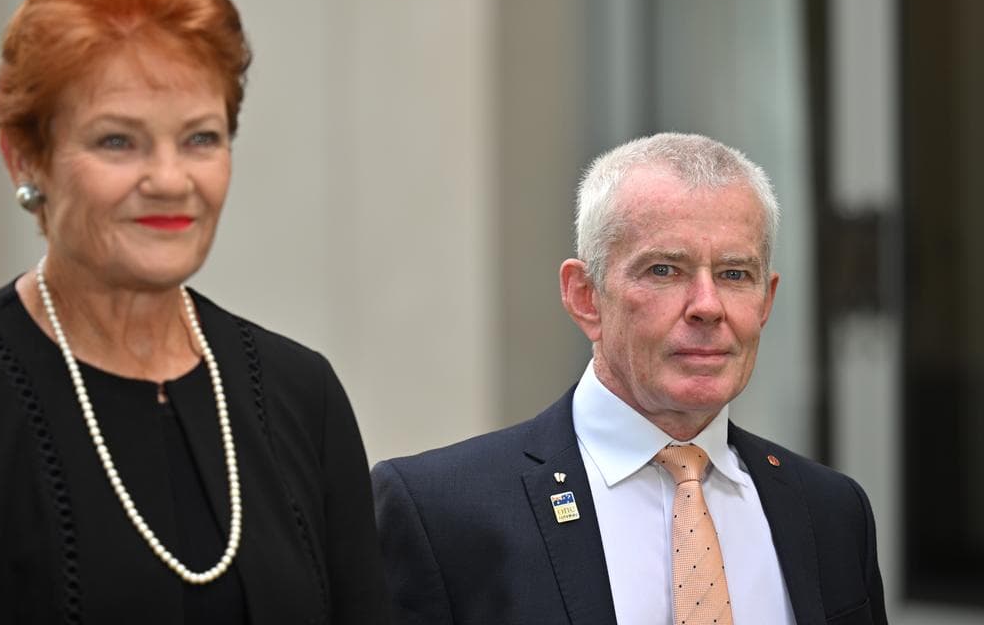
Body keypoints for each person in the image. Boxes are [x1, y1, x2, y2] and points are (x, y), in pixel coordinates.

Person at [0, 0, 389, 624]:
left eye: (200, 139)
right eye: (118, 142)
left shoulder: (302, 395)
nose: (169, 179)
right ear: (24, 156)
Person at [372, 133, 887, 625]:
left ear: (767, 301)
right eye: (664, 270)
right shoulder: (440, 513)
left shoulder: (831, 512)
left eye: (734, 274)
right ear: (584, 296)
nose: (707, 307)